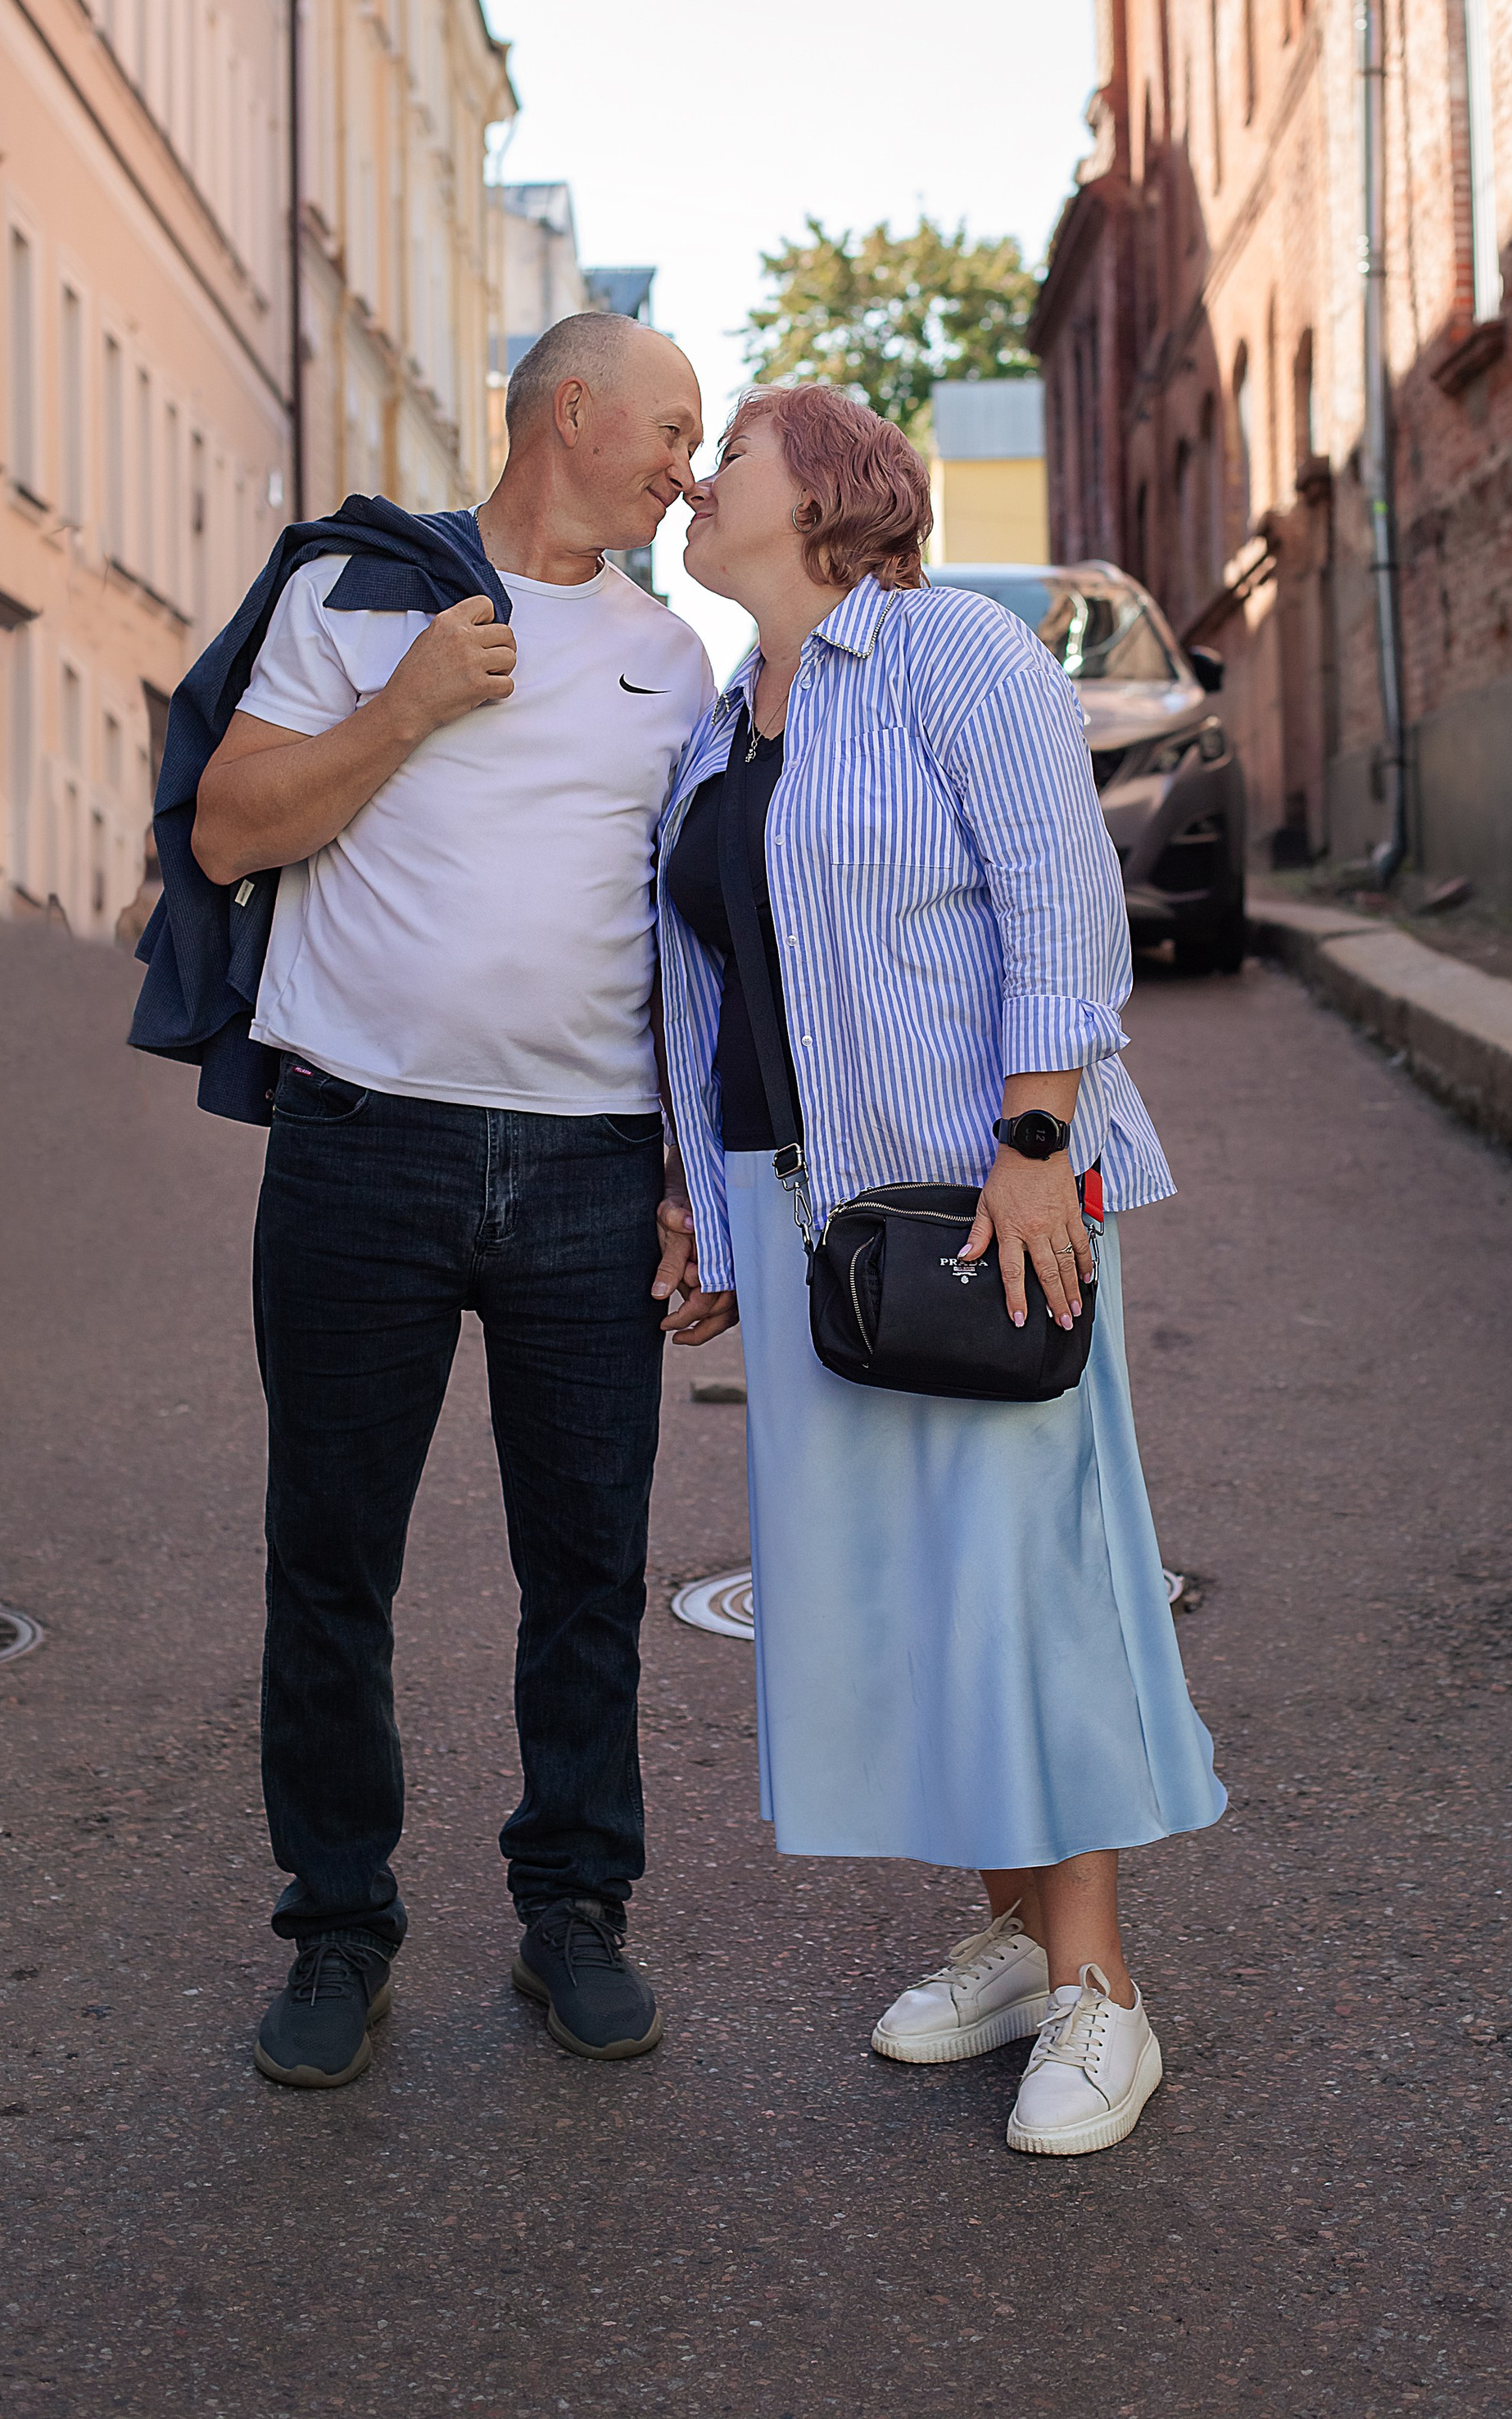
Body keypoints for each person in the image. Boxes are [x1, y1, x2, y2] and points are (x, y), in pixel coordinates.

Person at [654, 383, 1225, 2159]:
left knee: (1021, 1579)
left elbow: (1060, 898)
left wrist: (1037, 1142)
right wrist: (702, 1206)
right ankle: (1015, 1939)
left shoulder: (947, 655)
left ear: (826, 493)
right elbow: (713, 986)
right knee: (904, 1591)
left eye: (726, 457)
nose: (695, 482)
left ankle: (1102, 1991)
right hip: (802, 1219)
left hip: (976, 1200)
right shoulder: (721, 725)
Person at [189, 314, 714, 2089]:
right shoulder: (357, 595)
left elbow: (681, 943)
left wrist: (685, 1175)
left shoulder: (670, 660)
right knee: (330, 1557)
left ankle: (574, 1909)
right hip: (364, 1147)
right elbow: (230, 829)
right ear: (570, 413)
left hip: (584, 1164)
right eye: (669, 432)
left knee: (587, 1568)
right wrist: (407, 705)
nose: (686, 473)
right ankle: (337, 1925)